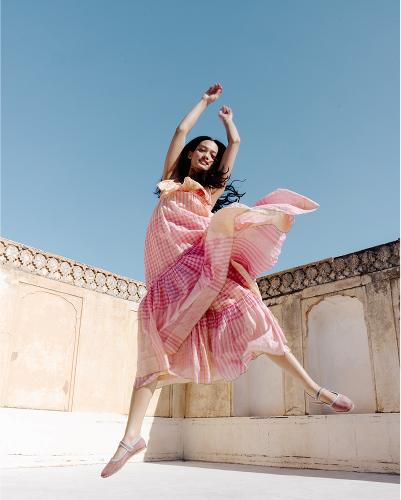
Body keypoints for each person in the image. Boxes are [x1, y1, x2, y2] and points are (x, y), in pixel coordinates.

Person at [101, 83, 354, 478]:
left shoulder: (210, 190)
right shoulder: (171, 180)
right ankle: (131, 437)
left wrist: (229, 125)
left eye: (212, 154)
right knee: (154, 352)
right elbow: (180, 132)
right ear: (189, 155)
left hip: (202, 261)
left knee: (254, 319)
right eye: (202, 150)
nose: (207, 155)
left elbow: (233, 147)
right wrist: (204, 102)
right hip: (167, 273)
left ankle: (314, 389)